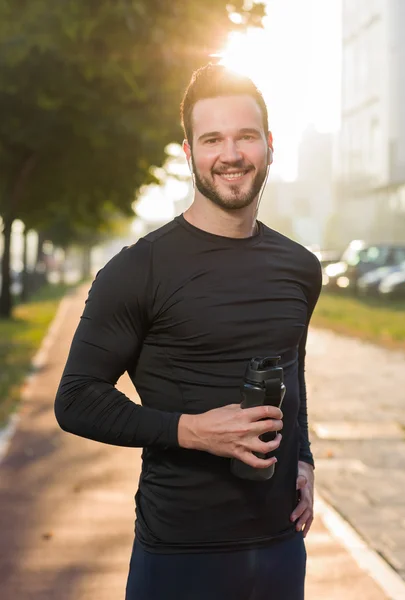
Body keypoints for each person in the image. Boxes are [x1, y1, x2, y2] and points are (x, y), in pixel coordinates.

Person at [54, 63, 322, 600]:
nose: (231, 154)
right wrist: (192, 431)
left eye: (246, 136)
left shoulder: (300, 266)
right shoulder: (139, 269)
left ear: (269, 146)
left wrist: (304, 457)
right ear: (188, 153)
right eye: (212, 139)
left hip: (279, 547)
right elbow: (76, 400)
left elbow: (292, 368)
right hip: (179, 554)